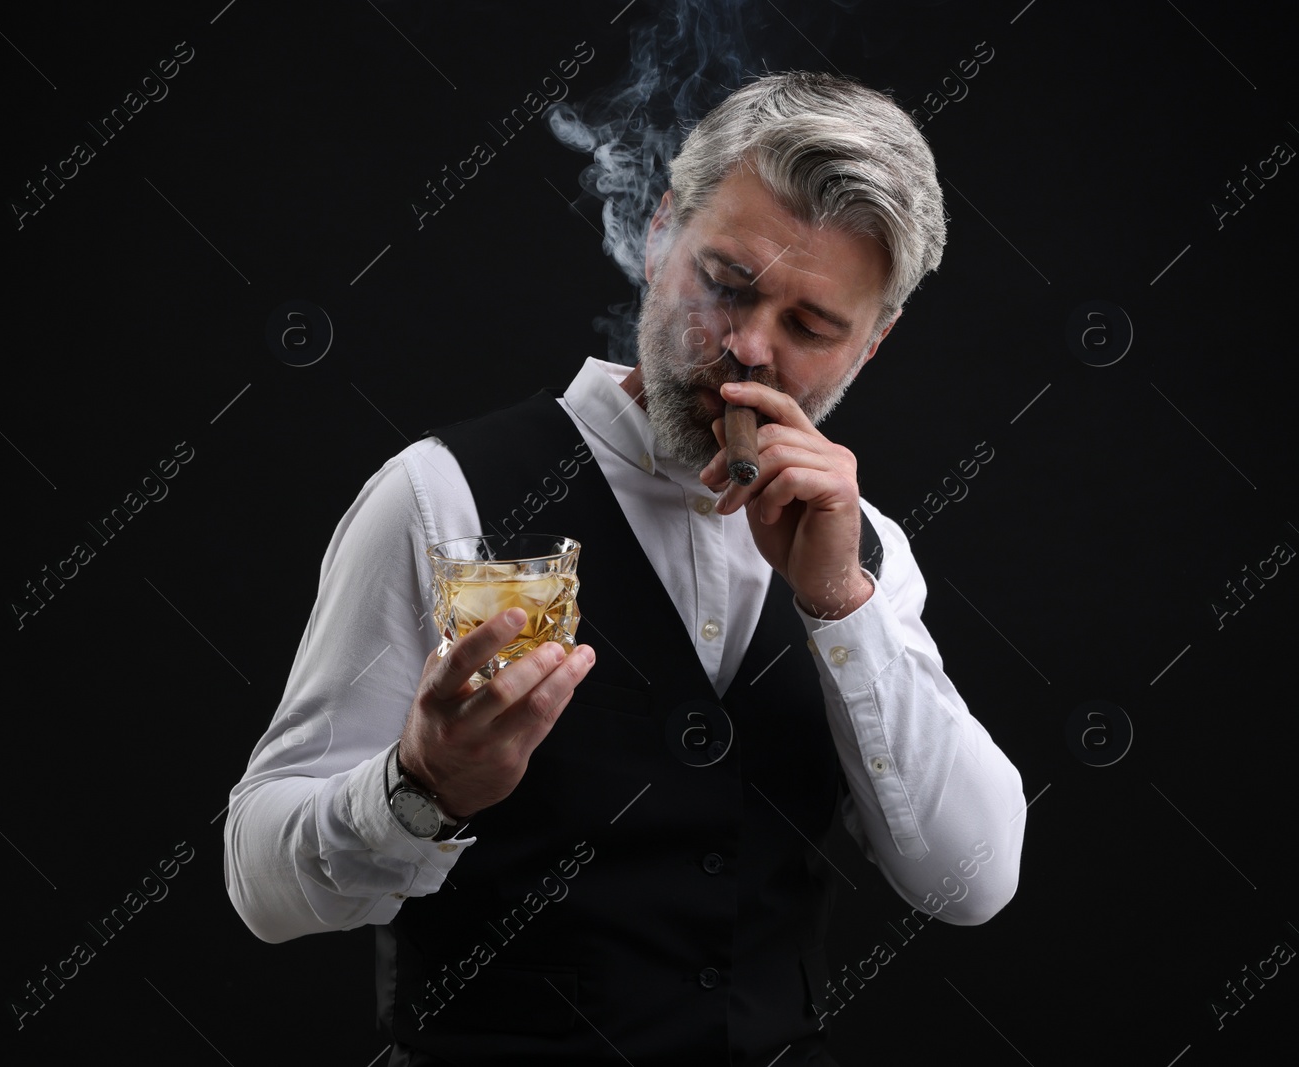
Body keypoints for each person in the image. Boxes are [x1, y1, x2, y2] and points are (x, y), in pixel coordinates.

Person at [225, 71, 1025, 1066]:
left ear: (874, 341)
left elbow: (971, 880)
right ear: (657, 237)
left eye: (810, 326)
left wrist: (839, 604)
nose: (746, 345)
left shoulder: (865, 550)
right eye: (725, 282)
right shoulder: (444, 494)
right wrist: (419, 784)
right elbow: (259, 880)